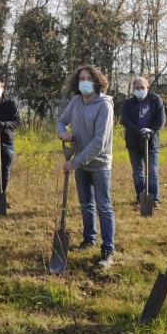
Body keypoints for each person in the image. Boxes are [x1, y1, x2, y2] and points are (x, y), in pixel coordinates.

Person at [57, 65, 116, 268]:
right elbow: (61, 121)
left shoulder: (104, 106)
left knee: (103, 206)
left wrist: (74, 162)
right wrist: (62, 133)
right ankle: (89, 239)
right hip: (81, 165)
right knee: (85, 204)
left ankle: (108, 249)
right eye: (81, 78)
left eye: (88, 78)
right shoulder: (75, 102)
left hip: (99, 165)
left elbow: (99, 142)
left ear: (96, 81)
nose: (84, 82)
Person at [121, 77, 166, 206]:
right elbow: (125, 120)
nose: (140, 90)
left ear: (148, 88)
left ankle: (154, 199)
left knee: (152, 171)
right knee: (137, 172)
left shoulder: (155, 100)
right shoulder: (128, 103)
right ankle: (141, 198)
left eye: (143, 88)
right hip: (134, 142)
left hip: (151, 142)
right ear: (133, 89)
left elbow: (161, 119)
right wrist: (139, 131)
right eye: (137, 88)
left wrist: (151, 131)